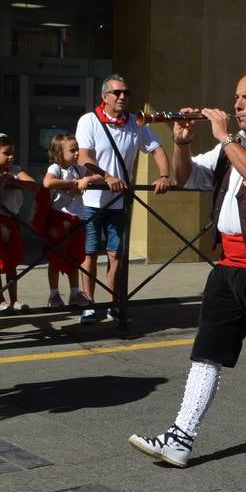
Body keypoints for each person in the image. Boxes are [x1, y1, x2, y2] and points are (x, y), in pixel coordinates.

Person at [128, 72, 246, 466]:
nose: (237, 105)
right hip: (229, 263)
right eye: (236, 97)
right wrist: (182, 143)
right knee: (206, 353)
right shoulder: (234, 146)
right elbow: (186, 176)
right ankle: (181, 436)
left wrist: (226, 138)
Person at [74, 74, 173, 323]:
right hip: (92, 200)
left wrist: (164, 175)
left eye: (125, 93)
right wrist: (106, 176)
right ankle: (88, 303)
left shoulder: (135, 122)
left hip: (119, 200)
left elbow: (158, 149)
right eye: (117, 93)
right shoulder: (90, 120)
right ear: (104, 96)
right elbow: (83, 157)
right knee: (90, 253)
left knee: (115, 254)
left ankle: (113, 302)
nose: (122, 97)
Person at [0, 133, 38, 312]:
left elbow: (34, 185)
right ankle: (0, 299)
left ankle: (15, 299)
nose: (10, 157)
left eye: (12, 153)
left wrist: (15, 181)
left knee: (12, 261)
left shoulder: (15, 170)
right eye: (6, 153)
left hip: (12, 220)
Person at [41, 133, 96, 308]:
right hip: (59, 218)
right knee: (55, 258)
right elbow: (47, 183)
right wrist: (69, 184)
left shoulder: (78, 169)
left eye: (77, 149)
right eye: (72, 150)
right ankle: (54, 294)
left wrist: (86, 180)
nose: (77, 153)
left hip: (76, 219)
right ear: (59, 152)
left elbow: (99, 175)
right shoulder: (56, 168)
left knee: (74, 257)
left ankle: (74, 292)